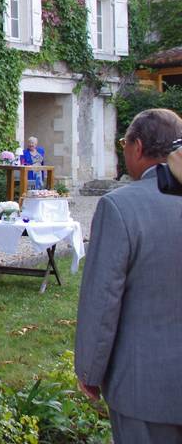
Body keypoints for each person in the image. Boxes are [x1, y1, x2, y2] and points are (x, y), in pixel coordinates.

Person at [75, 108, 182, 444]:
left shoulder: (120, 207)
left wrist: (89, 370)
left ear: (136, 147)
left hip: (146, 384)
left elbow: (102, 300)